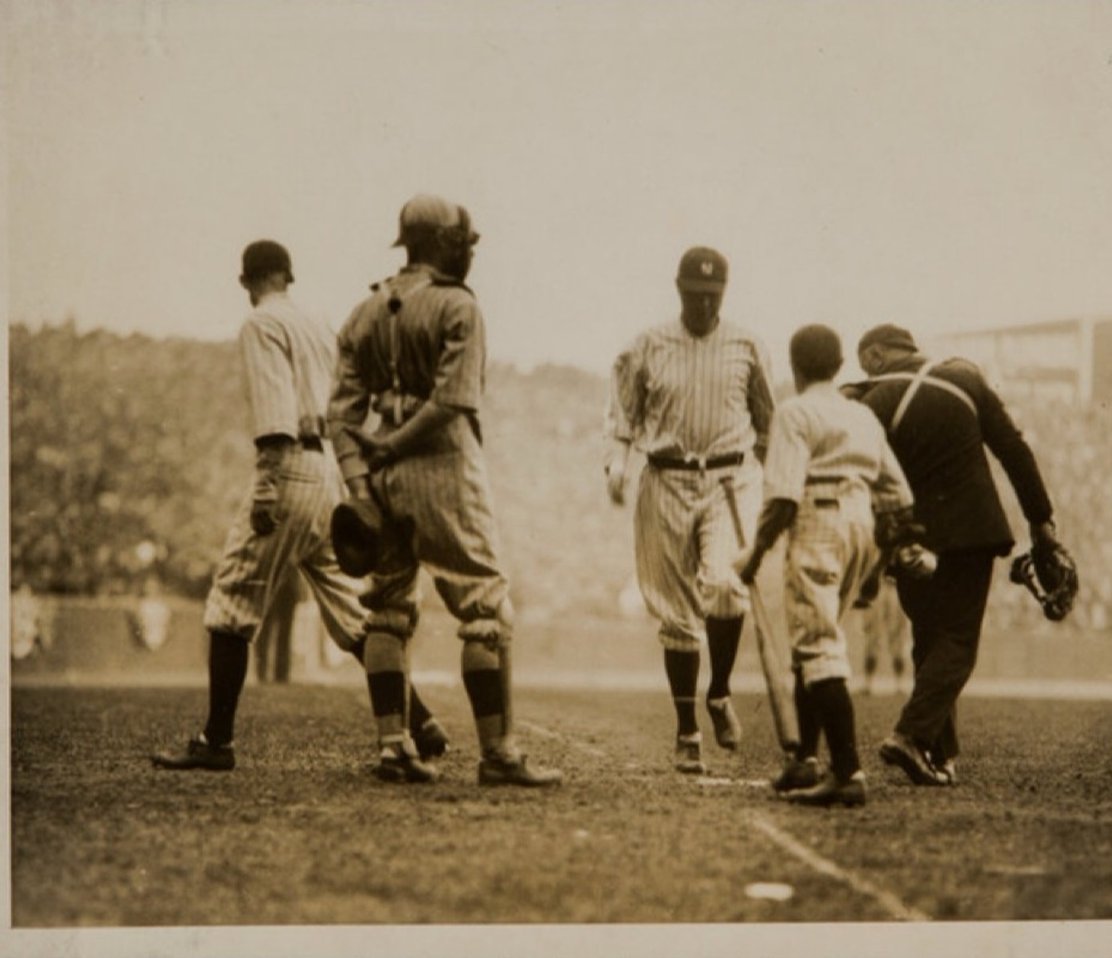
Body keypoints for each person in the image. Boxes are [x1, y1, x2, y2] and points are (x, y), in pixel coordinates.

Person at [151, 240, 448, 772]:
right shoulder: (318, 321)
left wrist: (267, 487)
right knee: (355, 612)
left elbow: (273, 412)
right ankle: (419, 720)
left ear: (246, 282)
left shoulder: (260, 323)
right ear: (290, 275)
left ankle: (216, 741)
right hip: (330, 471)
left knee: (230, 601)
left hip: (287, 466)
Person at [327, 193, 561, 787]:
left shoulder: (364, 311)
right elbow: (454, 400)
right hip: (443, 465)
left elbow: (341, 415)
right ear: (442, 243)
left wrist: (362, 482)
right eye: (463, 241)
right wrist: (400, 444)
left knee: (386, 605)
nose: (468, 251)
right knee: (484, 606)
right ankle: (499, 755)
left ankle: (392, 746)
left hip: (381, 474)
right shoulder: (458, 306)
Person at [854, 323, 1058, 786]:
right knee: (958, 641)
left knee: (930, 639)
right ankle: (911, 735)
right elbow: (1013, 449)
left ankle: (938, 754)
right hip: (972, 530)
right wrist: (1040, 519)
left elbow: (859, 475)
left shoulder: (872, 400)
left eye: (864, 358)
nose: (863, 367)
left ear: (879, 354)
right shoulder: (965, 376)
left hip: (912, 536)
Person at [733, 324, 922, 807]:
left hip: (819, 520)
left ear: (795, 368)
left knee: (817, 646)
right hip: (861, 523)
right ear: (840, 367)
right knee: (811, 639)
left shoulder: (795, 411)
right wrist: (884, 558)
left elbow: (782, 498)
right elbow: (897, 494)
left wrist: (753, 556)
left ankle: (846, 771)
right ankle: (804, 762)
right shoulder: (859, 414)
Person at [605, 246, 775, 774]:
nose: (703, 306)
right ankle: (686, 731)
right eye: (694, 296)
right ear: (679, 290)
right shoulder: (648, 345)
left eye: (712, 297)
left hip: (729, 476)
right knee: (676, 613)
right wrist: (617, 465)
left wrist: (767, 481)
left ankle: (719, 692)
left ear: (724, 294)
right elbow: (624, 418)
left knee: (726, 584)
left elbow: (767, 421)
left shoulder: (746, 344)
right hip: (666, 476)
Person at [855, 572, 909, 696]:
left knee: (897, 637)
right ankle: (868, 682)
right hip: (877, 584)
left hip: (896, 585)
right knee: (872, 636)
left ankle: (899, 683)